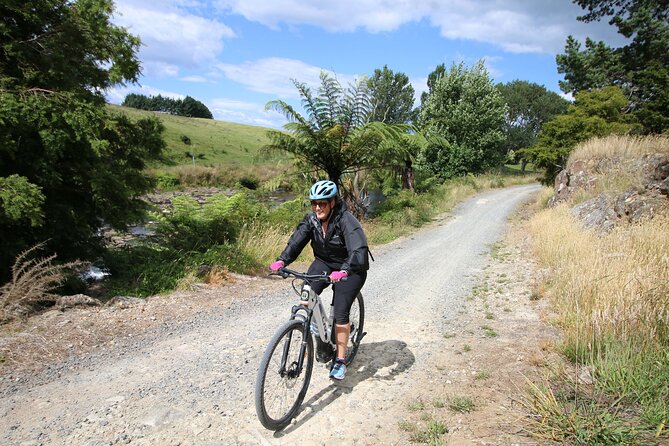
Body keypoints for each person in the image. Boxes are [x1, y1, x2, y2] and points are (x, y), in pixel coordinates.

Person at [269, 180, 370, 381]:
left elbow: (358, 250)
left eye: (322, 203)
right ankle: (318, 338)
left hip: (351, 268)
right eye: (314, 203)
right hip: (324, 263)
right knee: (306, 295)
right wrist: (282, 260)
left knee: (340, 312)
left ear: (333, 202)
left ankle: (340, 360)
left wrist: (345, 270)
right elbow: (296, 242)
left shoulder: (346, 220)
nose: (317, 208)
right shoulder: (311, 220)